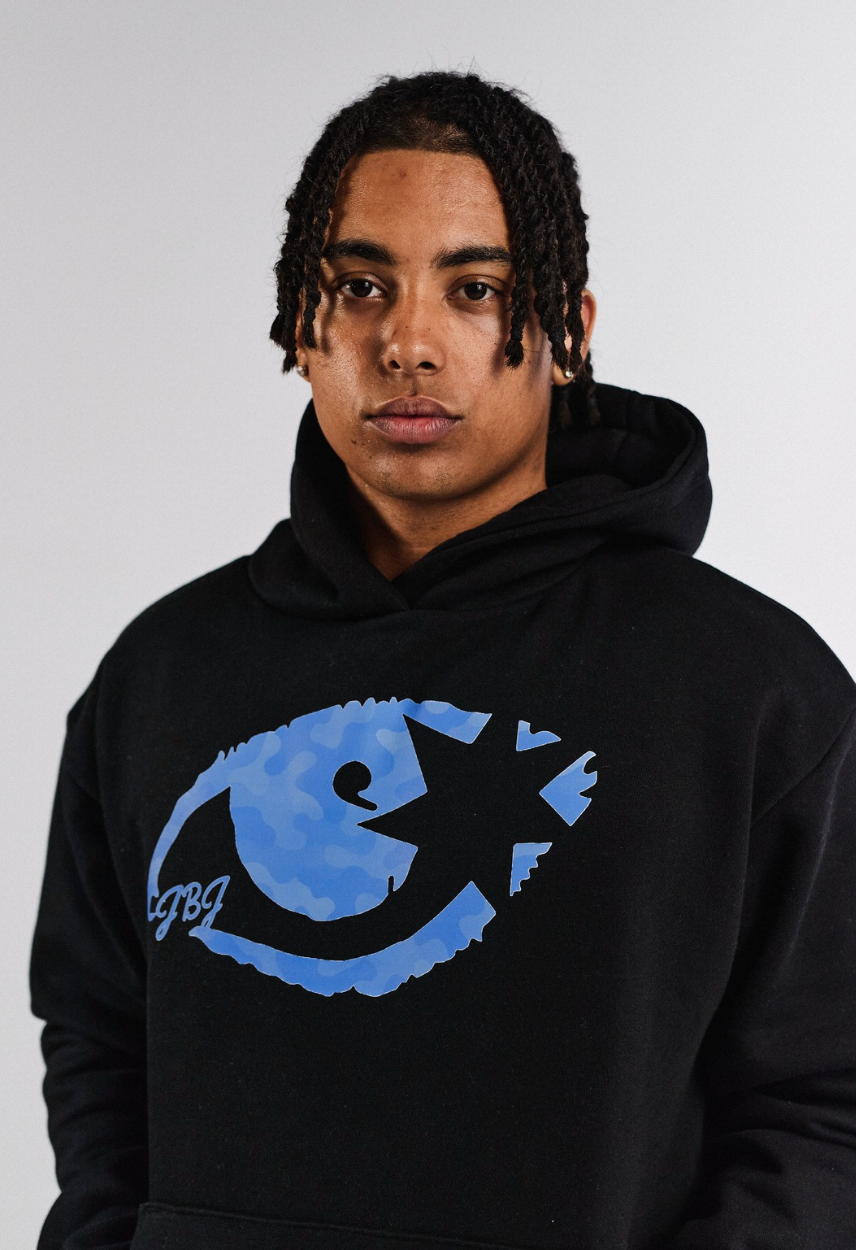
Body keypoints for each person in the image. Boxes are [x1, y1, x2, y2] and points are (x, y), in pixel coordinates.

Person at [30, 69, 856, 1250]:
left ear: (569, 331)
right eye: (360, 286)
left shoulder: (753, 689)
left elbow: (824, 1105)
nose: (408, 342)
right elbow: (98, 1039)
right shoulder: (159, 675)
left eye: (475, 290)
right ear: (301, 326)